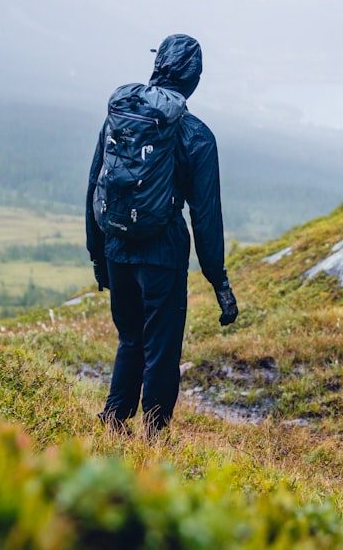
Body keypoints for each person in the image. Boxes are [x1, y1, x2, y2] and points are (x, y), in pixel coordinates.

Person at [86, 33, 238, 436]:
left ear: (157, 67)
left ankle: (114, 421)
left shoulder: (119, 120)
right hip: (163, 257)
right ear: (194, 79)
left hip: (117, 247)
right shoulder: (197, 136)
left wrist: (98, 257)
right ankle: (153, 438)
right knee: (162, 349)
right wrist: (219, 282)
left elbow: (95, 188)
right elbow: (206, 218)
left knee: (130, 338)